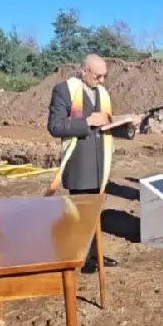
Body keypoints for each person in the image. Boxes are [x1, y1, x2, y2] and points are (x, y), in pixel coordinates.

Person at [47, 54, 141, 273]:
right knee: (80, 216)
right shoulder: (64, 90)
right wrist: (87, 121)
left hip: (100, 165)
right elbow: (55, 126)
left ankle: (93, 254)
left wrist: (128, 125)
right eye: (98, 76)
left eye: (104, 76)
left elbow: (106, 125)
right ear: (84, 71)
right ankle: (81, 258)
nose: (102, 80)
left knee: (94, 214)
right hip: (80, 165)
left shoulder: (102, 93)